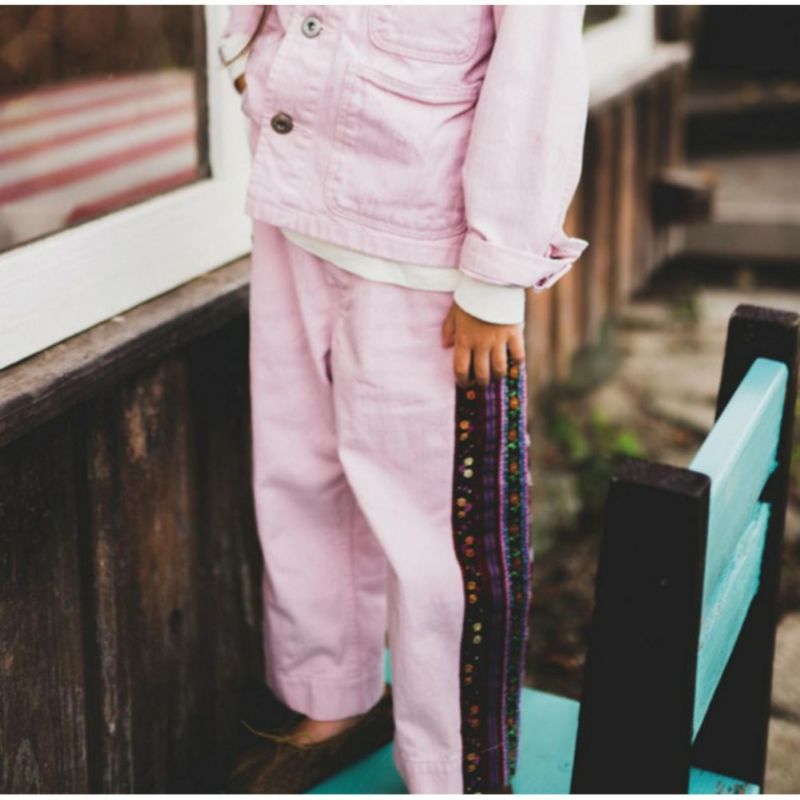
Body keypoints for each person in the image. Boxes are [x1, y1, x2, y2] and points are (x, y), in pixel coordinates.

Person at [217, 5, 589, 794]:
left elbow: (538, 77)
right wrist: (247, 46)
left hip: (422, 251)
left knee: (435, 526)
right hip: (296, 201)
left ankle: (451, 764)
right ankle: (330, 694)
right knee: (299, 470)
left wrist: (495, 273)